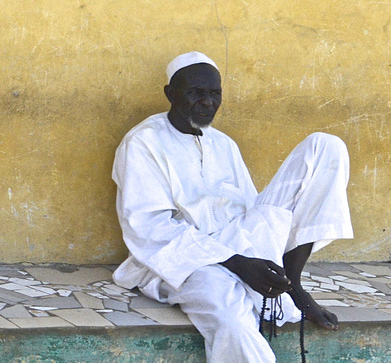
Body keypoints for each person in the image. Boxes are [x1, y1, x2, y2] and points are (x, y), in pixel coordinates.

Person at [111, 51, 353, 362]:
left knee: (326, 146)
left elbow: (252, 210)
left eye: (214, 94)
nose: (207, 102)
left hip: (240, 243)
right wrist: (237, 263)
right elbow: (150, 228)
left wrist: (254, 256)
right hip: (185, 260)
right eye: (197, 93)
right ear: (171, 94)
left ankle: (293, 285)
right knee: (232, 320)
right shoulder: (142, 143)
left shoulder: (223, 144)